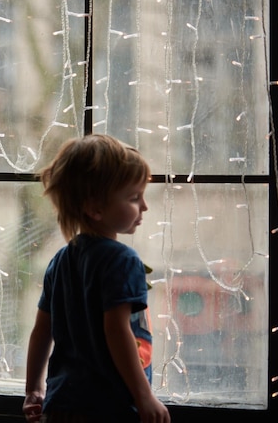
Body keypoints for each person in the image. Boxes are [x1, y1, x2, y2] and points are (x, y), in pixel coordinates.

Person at [22, 134, 170, 423]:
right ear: (95, 208)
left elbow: (41, 331)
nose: (144, 206)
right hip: (107, 405)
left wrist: (33, 390)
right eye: (133, 197)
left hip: (61, 402)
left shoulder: (61, 260)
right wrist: (144, 396)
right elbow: (117, 331)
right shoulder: (122, 260)